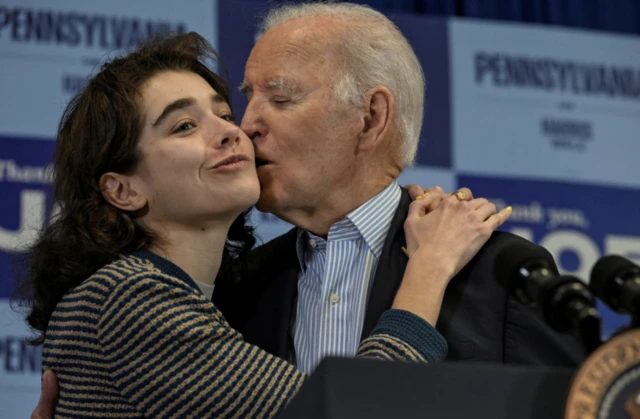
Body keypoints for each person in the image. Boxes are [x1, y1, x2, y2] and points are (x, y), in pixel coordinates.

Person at [21, 32, 511, 418]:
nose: (235, 131)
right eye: (184, 126)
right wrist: (429, 267)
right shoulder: (127, 299)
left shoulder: (214, 296)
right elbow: (351, 413)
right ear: (123, 190)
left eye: (223, 114)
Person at [212, 2, 586, 372]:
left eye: (280, 99)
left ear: (371, 117)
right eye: (248, 99)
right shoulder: (240, 286)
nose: (246, 126)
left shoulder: (503, 275)